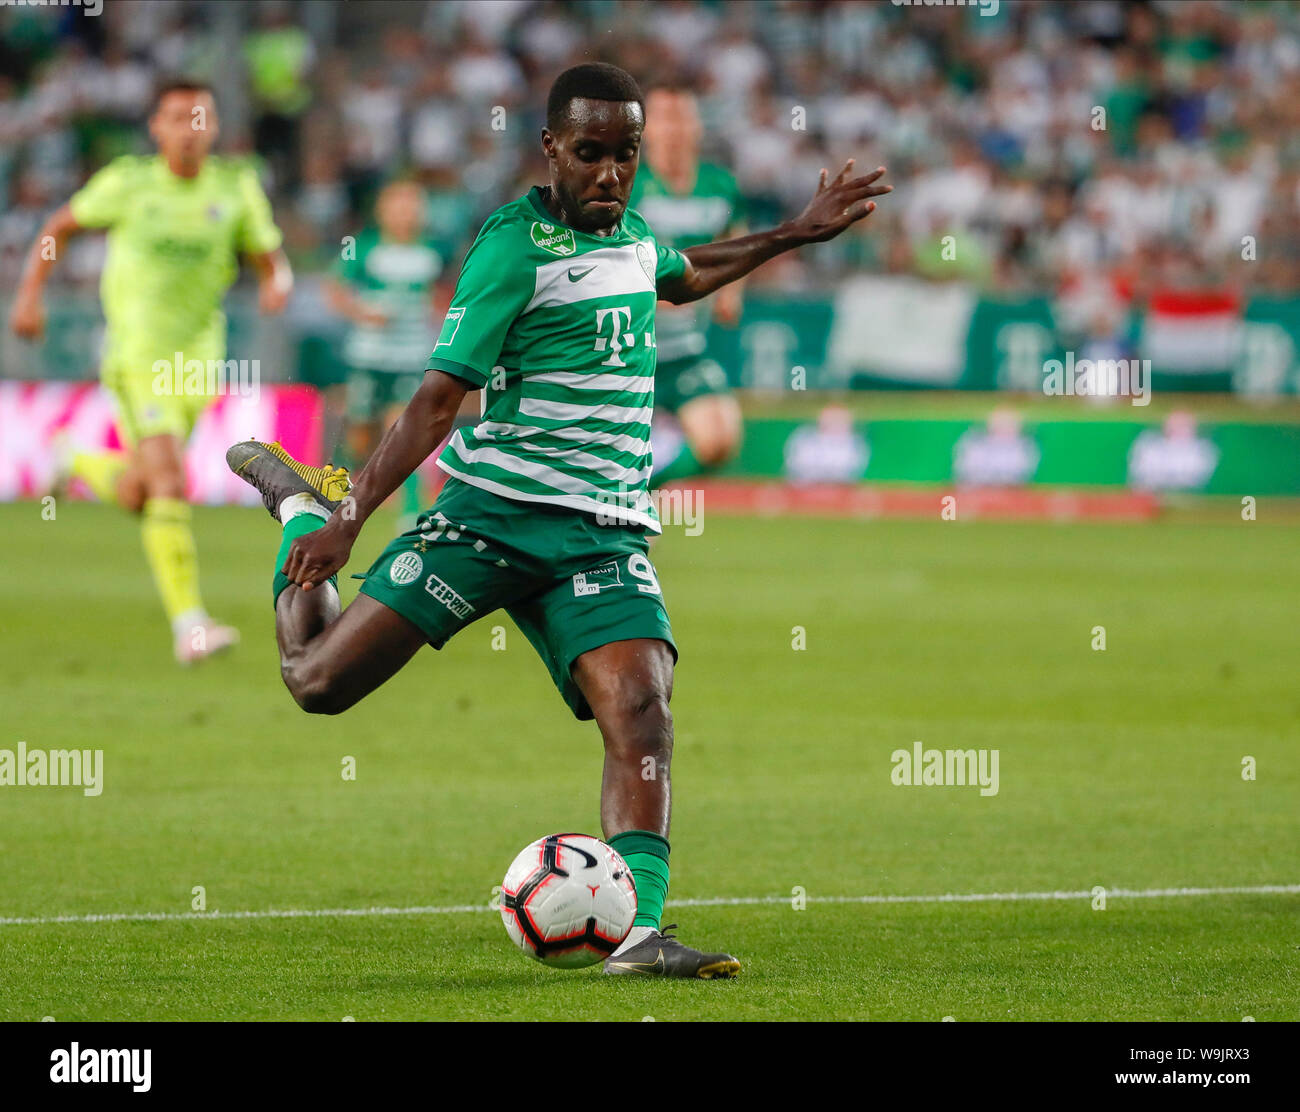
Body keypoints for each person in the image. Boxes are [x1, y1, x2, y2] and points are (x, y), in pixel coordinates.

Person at [226, 63, 890, 977]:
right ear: (551, 149)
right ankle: (297, 508)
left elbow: (687, 274)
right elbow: (433, 402)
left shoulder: (633, 237)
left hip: (603, 530)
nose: (612, 173)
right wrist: (343, 514)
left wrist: (796, 233)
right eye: (591, 154)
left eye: (625, 154)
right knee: (318, 683)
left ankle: (639, 932)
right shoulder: (512, 246)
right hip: (491, 519)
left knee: (642, 709)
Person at [9, 80, 293, 664]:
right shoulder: (129, 182)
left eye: (200, 117)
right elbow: (57, 228)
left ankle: (75, 460)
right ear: (156, 128)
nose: (189, 128)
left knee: (144, 489)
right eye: (176, 117)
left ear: (214, 127)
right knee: (169, 483)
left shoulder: (235, 187)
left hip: (199, 363)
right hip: (138, 354)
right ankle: (190, 626)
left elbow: (270, 257)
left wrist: (276, 282)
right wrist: (29, 295)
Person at [324, 179, 454, 532]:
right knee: (360, 433)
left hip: (411, 357)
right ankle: (336, 496)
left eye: (412, 205)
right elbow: (334, 289)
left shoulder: (434, 251)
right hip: (369, 356)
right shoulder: (364, 247)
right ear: (382, 210)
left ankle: (410, 510)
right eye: (398, 205)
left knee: (404, 429)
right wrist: (362, 311)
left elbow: (445, 296)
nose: (405, 213)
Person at [631, 85, 746, 483]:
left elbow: (735, 238)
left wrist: (731, 291)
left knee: (719, 441)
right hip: (625, 355)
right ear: (646, 129)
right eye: (666, 118)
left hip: (684, 352)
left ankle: (640, 492)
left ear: (698, 126)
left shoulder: (720, 185)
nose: (676, 128)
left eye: (684, 117)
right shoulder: (627, 187)